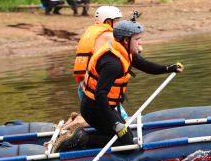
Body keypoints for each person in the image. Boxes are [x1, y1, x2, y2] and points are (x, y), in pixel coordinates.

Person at [59, 18, 184, 151]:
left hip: (103, 107)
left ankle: (83, 135)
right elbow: (100, 94)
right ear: (126, 40)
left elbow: (146, 65)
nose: (140, 43)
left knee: (126, 134)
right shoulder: (113, 64)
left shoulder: (124, 52)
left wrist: (168, 68)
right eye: (137, 39)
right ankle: (82, 139)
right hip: (94, 109)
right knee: (126, 144)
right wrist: (116, 123)